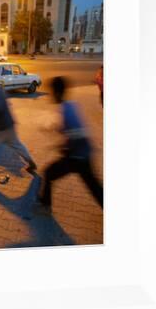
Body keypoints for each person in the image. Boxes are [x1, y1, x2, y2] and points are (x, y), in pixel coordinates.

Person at [36, 76, 103, 211]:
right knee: (94, 187)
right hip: (82, 155)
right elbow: (73, 129)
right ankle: (45, 202)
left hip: (78, 157)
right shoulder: (70, 105)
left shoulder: (66, 110)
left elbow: (77, 133)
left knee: (49, 173)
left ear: (57, 93)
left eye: (52, 92)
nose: (51, 96)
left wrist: (64, 147)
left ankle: (45, 204)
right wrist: (56, 129)